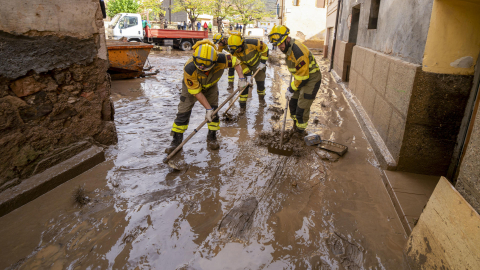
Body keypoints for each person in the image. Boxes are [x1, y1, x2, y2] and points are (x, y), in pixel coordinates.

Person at [165, 40, 247, 153]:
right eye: (200, 65)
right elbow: (197, 92)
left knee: (214, 113)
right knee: (183, 113)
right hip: (191, 90)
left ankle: (212, 137)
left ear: (214, 61)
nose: (202, 68)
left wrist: (241, 78)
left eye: (206, 65)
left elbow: (236, 62)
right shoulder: (189, 68)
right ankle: (176, 142)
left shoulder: (222, 58)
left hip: (211, 86)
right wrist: (208, 109)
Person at [268, 25, 321, 136]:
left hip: (310, 79)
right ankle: (295, 126)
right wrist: (292, 88)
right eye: (277, 45)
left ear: (287, 39)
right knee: (292, 104)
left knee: (301, 108)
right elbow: (298, 74)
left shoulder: (298, 52)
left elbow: (304, 78)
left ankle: (300, 133)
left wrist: (291, 88)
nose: (279, 47)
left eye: (281, 44)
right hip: (300, 78)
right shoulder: (288, 49)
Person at [227, 30, 269, 110]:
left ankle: (261, 100)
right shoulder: (234, 52)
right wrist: (248, 74)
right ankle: (242, 108)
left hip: (258, 64)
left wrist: (263, 62)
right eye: (234, 50)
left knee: (260, 85)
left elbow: (265, 48)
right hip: (245, 65)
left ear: (242, 44)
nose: (236, 51)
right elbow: (239, 64)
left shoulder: (253, 43)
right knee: (243, 86)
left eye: (237, 49)